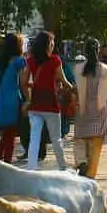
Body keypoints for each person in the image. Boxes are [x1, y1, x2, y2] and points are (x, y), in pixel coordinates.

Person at [20, 32, 71, 170]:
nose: (53, 44)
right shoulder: (55, 60)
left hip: (35, 105)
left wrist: (29, 98)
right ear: (48, 44)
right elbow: (63, 80)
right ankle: (62, 167)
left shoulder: (31, 60)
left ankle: (31, 167)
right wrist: (74, 90)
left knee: (34, 137)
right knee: (56, 139)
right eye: (52, 42)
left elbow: (23, 82)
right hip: (51, 105)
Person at [73, 39, 107, 178]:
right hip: (98, 113)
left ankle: (81, 161)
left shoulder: (78, 68)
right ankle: (90, 176)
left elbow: (76, 91)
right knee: (95, 148)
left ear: (84, 51)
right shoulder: (104, 69)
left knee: (80, 141)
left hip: (82, 113)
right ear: (98, 50)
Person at [0, 34, 27, 164]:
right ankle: (6, 163)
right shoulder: (19, 61)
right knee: (10, 134)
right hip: (13, 98)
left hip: (1, 98)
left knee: (6, 133)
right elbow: (22, 82)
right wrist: (28, 99)